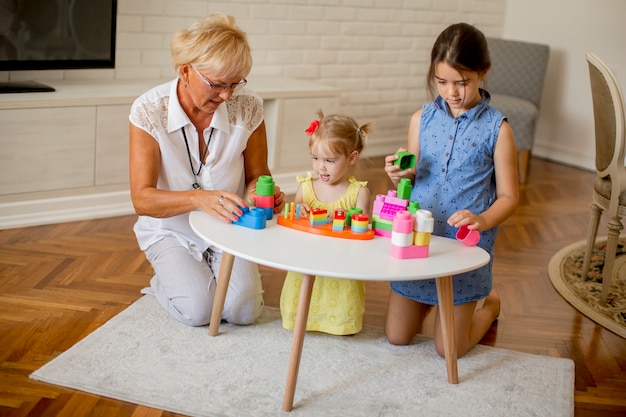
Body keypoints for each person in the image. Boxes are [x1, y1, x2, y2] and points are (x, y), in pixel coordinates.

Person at [129, 13, 284, 327]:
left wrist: (261, 193)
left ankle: (203, 279)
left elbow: (258, 174)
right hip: (170, 229)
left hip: (230, 223)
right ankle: (164, 283)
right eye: (216, 84)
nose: (226, 95)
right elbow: (142, 200)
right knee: (199, 311)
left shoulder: (248, 106)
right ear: (186, 71)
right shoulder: (148, 110)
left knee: (243, 312)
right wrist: (199, 199)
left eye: (234, 83)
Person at [383, 23, 519, 357]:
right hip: (420, 243)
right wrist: (400, 175)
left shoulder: (497, 129)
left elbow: (510, 197)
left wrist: (482, 220)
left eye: (462, 83)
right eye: (442, 82)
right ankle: (431, 306)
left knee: (448, 350)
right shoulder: (422, 119)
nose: (452, 92)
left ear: (482, 73)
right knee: (397, 336)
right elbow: (411, 180)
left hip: (462, 251)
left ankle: (489, 304)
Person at [280, 109, 372, 335]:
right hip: (307, 260)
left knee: (338, 298)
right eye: (315, 158)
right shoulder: (306, 187)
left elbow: (363, 232)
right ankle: (301, 318)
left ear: (351, 157)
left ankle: (339, 325)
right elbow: (293, 218)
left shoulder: (359, 193)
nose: (321, 167)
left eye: (330, 161)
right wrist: (302, 211)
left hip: (341, 265)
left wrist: (345, 220)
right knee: (303, 294)